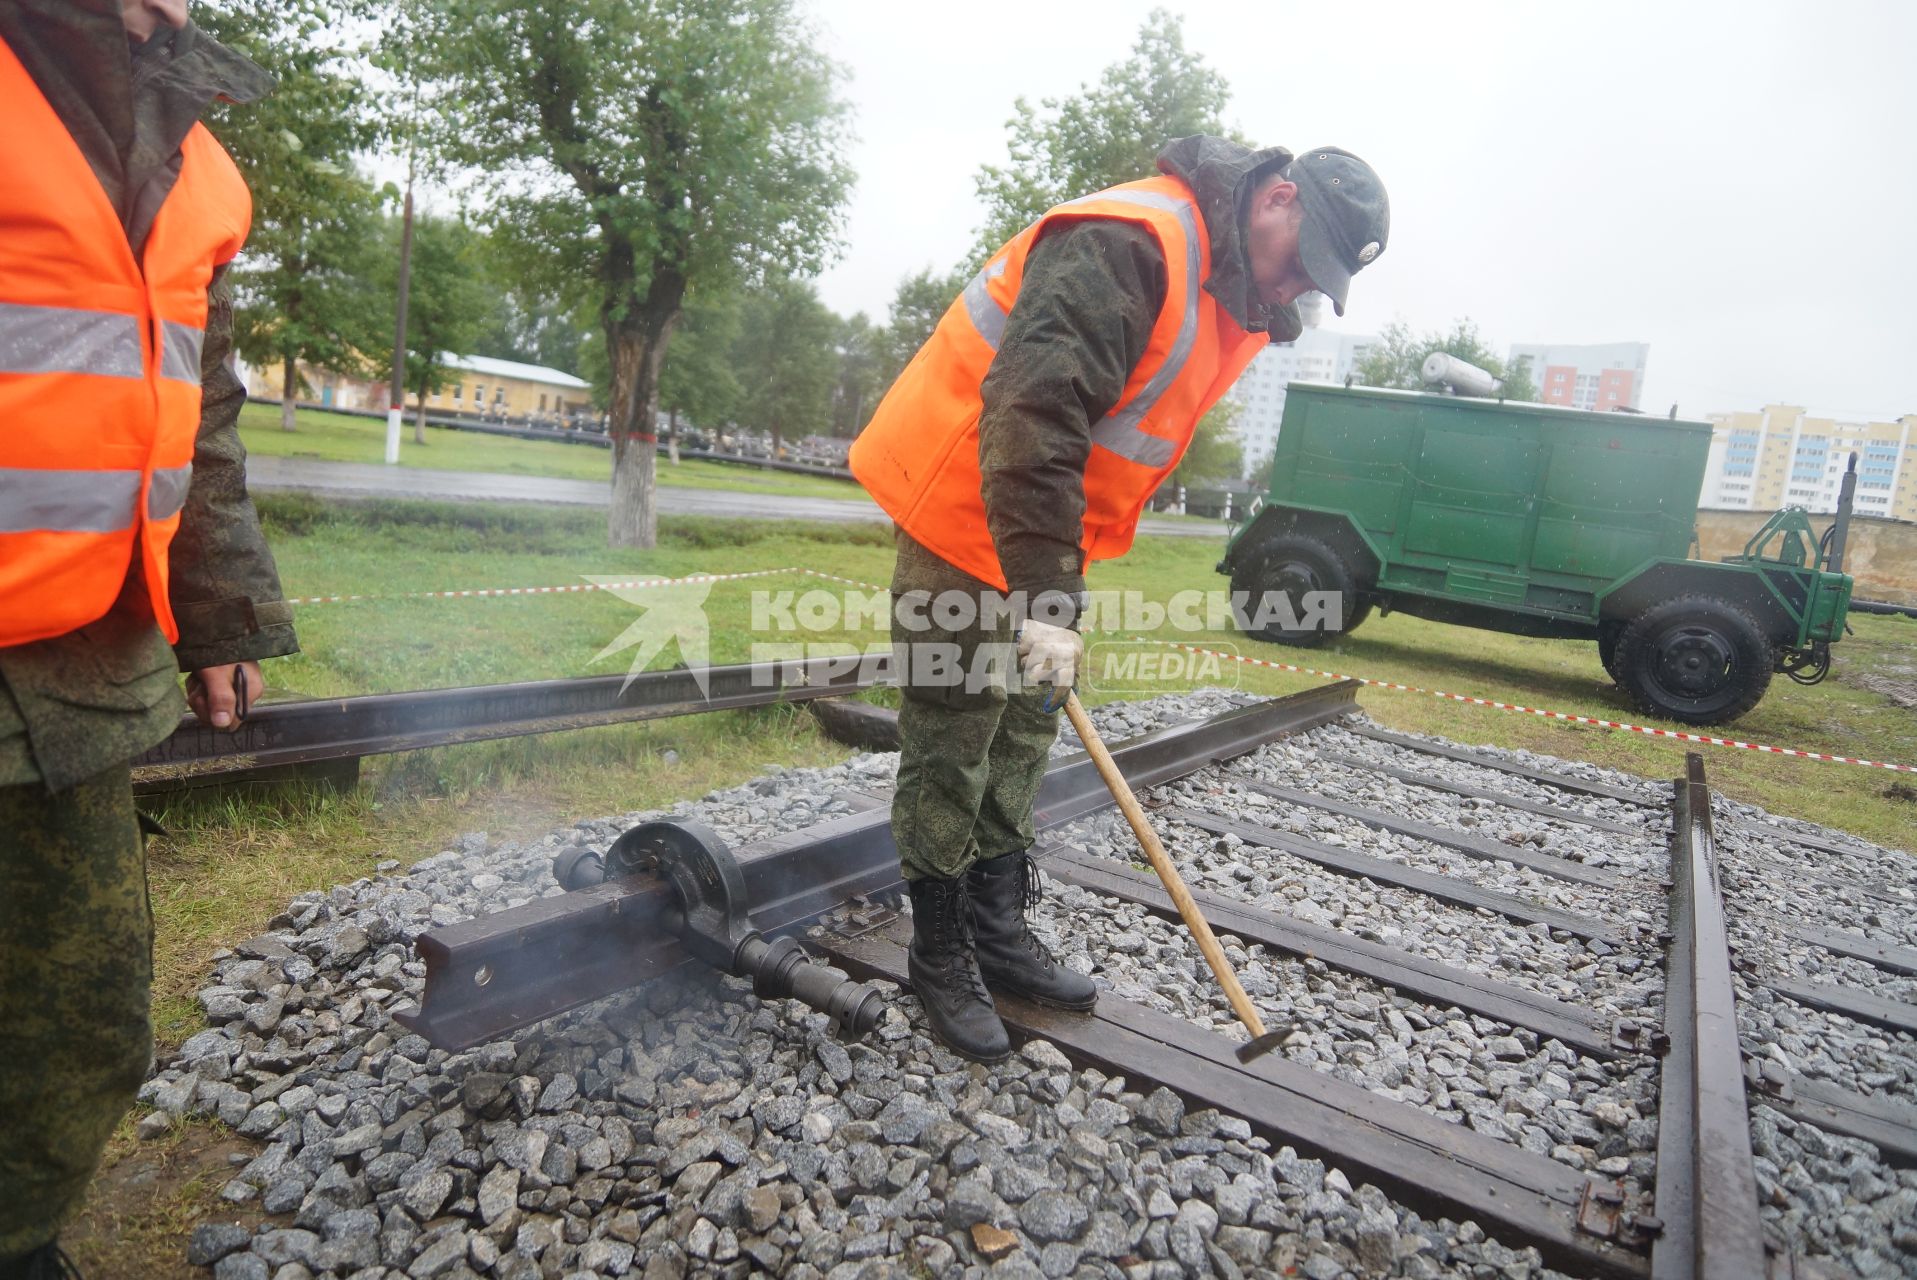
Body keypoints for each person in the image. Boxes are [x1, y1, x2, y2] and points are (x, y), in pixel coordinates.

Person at [848, 136, 1389, 1062]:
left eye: (1316, 279)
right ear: (1279, 197)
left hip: (1036, 528)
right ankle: (938, 953)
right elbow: (1033, 413)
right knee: (953, 729)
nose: (1297, 285)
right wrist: (1047, 599)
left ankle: (996, 931)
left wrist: (1051, 583)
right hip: (963, 503)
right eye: (1302, 260)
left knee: (1024, 725)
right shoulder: (1129, 242)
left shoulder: (1229, 285)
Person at [0, 1, 296, 1273]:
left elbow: (199, 408)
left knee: (80, 1018)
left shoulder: (203, 161)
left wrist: (219, 611)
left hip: (69, 657)